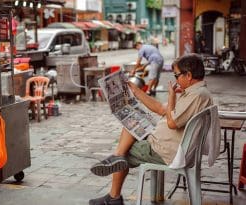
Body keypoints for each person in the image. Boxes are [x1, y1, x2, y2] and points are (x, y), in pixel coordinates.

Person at [89, 54, 213, 205]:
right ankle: (116, 168)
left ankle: (114, 195)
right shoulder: (196, 92)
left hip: (165, 150)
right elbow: (161, 109)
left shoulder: (196, 96)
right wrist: (136, 92)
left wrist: (172, 96)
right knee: (132, 123)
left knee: (124, 152)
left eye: (177, 75)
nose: (175, 79)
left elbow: (172, 123)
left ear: (188, 75)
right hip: (170, 145)